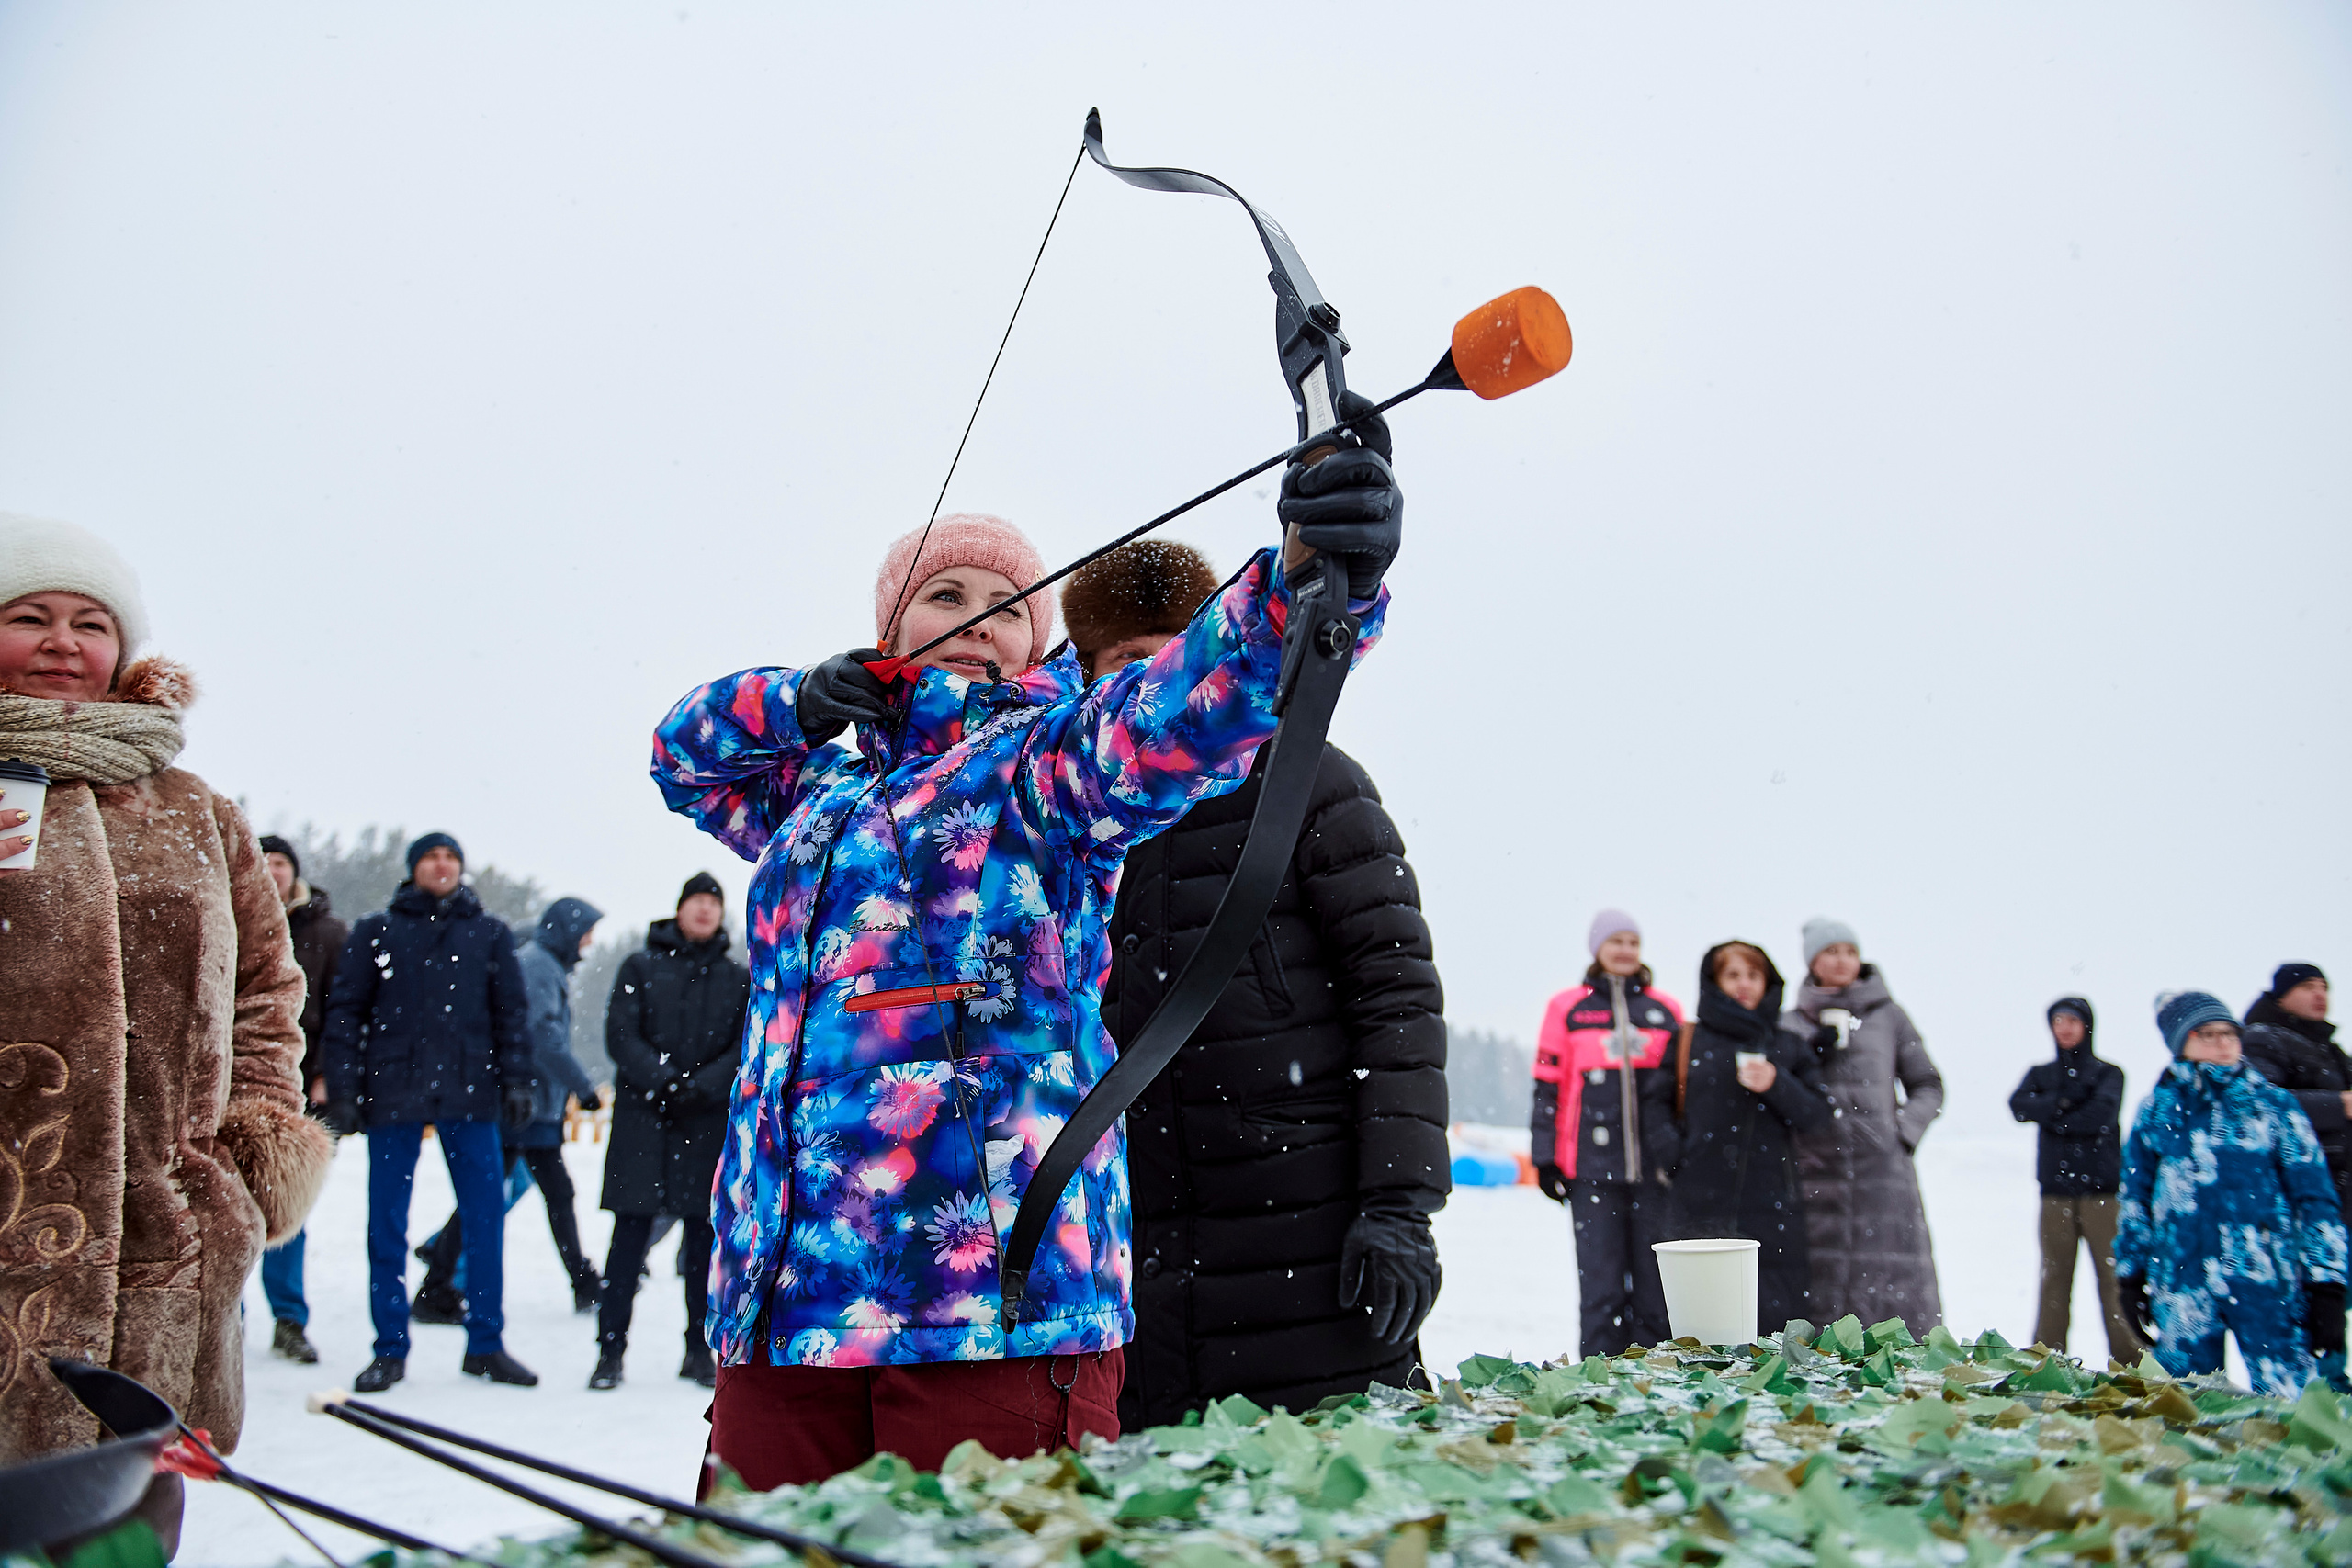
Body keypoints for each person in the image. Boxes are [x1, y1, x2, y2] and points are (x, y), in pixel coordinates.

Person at [651, 402, 1399, 1488]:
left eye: (1006, 608)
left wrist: (1312, 582)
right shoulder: (813, 796)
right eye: (943, 596)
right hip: (787, 1309)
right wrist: (797, 701)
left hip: (990, 1311)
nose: (974, 619)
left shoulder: (1045, 769)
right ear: (887, 630)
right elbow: (683, 757)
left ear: (1038, 643)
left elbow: (1178, 713)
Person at [0, 513, 332, 1556]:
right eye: (31, 616)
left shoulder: (195, 810)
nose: (64, 641)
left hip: (158, 1233)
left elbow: (266, 994)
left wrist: (238, 1156)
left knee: (123, 1529)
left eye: (90, 623)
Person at [1062, 540, 1447, 1425]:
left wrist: (1398, 1205)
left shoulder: (1312, 781)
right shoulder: (1067, 815)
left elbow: (1396, 997)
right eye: (1130, 661)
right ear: (1087, 676)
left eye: (1176, 651)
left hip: (1299, 1235)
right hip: (1118, 1248)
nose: (1160, 683)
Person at [319, 832, 541, 1392]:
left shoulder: (488, 934)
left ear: (461, 869)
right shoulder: (377, 931)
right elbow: (345, 1012)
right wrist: (343, 1089)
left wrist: (517, 1080)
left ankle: (485, 1342)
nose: (441, 865)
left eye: (450, 857)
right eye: (430, 857)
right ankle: (389, 1347)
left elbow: (512, 1014)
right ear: (414, 868)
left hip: (472, 1092)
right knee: (386, 1223)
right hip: (393, 1090)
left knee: (485, 1218)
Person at [2114, 992, 2348, 1395]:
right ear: (2180, 1042)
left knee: (2294, 1405)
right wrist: (2130, 1276)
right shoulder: (2158, 1109)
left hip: (2266, 1281)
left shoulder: (2273, 1106)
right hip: (2183, 1285)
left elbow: (2315, 1199)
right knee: (2187, 1408)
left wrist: (2327, 1284)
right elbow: (2136, 1197)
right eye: (2207, 1034)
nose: (2223, 1044)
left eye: (2229, 1034)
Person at [413, 897, 608, 1320]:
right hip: (526, 1106)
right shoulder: (539, 966)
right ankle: (582, 1281)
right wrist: (582, 1086)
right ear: (567, 930)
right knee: (544, 1194)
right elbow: (542, 1036)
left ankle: (439, 1278)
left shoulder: (546, 965)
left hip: (530, 1105)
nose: (589, 942)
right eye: (586, 932)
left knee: (501, 1192)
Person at [593, 872, 751, 1392]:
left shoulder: (735, 977)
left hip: (704, 1125)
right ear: (680, 909)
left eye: (713, 902)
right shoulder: (641, 965)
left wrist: (701, 1087)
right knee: (628, 1245)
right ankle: (609, 1352)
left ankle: (697, 1351)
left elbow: (741, 1045)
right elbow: (621, 1034)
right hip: (644, 1122)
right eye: (696, 901)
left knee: (703, 1246)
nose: (704, 910)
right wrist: (661, 1082)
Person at [1781, 917, 1945, 1334]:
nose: (1842, 960)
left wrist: (1902, 1134)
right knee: (1821, 1293)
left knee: (1891, 1285)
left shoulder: (1890, 1017)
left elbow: (1927, 1083)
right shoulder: (1791, 1023)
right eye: (1831, 952)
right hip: (1815, 1174)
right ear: (1812, 962)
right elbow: (1779, 1092)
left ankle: (1900, 1374)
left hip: (1884, 1177)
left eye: (1850, 952)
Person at [1529, 909, 1681, 1356]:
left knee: (1657, 1288)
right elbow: (1547, 1086)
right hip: (1591, 1172)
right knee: (1602, 1286)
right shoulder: (1568, 1008)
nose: (1625, 951)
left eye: (1633, 942)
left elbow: (1680, 1090)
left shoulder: (1663, 1010)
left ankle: (1653, 1376)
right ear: (1597, 948)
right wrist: (1544, 1156)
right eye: (1616, 941)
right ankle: (1599, 1374)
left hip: (1656, 1175)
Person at [1657, 941, 1831, 1333]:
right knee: (1698, 1324)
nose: (1744, 984)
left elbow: (1820, 1117)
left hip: (1773, 1206)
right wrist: (1675, 1158)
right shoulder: (1688, 1040)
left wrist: (1777, 1083)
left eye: (1754, 975)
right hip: (1697, 1202)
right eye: (1733, 975)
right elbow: (1655, 1105)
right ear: (1714, 983)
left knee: (1775, 1324)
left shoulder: (1788, 1045)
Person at [255, 833, 349, 1367]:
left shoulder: (327, 932)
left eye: (281, 862)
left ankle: (289, 1319)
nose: (272, 870)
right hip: (229, 1079)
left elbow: (341, 1011)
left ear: (295, 871)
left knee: (286, 1204)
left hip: (298, 1080)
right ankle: (226, 1317)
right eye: (262, 860)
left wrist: (324, 1076)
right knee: (220, 1203)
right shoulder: (228, 916)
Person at [2007, 998, 2141, 1363]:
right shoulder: (2040, 1073)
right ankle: (2046, 1358)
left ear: (2087, 1025)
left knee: (2113, 1280)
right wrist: (2066, 1101)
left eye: (2072, 1020)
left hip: (2103, 1195)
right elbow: (2018, 1106)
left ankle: (2132, 1361)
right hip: (2055, 1193)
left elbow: (2099, 1116)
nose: (2065, 1027)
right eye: (2058, 1020)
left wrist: (2051, 1111)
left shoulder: (2109, 1073)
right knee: (2054, 1278)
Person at [2240, 963, 2351, 1387]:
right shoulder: (2260, 1039)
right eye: (2308, 987)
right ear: (2281, 995)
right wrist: (2336, 1104)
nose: (2320, 995)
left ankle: (2330, 1392)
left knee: (2332, 1299)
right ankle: (2317, 1395)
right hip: (2297, 1204)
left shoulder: (2330, 1050)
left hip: (2338, 1203)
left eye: (2325, 987)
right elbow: (2261, 1104)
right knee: (2312, 1307)